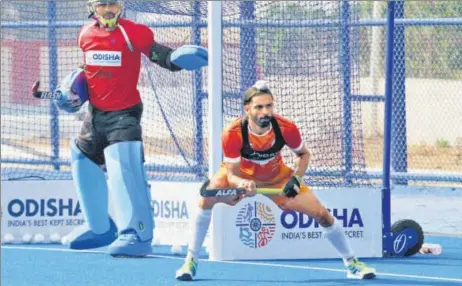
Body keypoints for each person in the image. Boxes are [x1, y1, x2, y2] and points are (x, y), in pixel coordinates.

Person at [49, 0, 206, 257]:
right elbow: (90, 71)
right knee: (81, 156)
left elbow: (160, 55)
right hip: (95, 114)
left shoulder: (133, 32)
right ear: (93, 7)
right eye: (103, 4)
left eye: (113, 3)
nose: (109, 9)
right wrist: (72, 91)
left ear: (121, 6)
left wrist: (176, 59)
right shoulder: (85, 34)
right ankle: (99, 228)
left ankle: (138, 233)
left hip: (124, 115)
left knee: (123, 164)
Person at [175, 80, 376, 280]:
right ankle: (190, 261)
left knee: (322, 214)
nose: (265, 112)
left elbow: (304, 155)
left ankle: (352, 264)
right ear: (247, 109)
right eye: (259, 107)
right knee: (206, 199)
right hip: (241, 177)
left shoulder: (286, 128)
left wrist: (296, 179)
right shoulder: (232, 133)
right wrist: (242, 184)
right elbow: (231, 173)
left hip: (276, 177)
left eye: (269, 106)